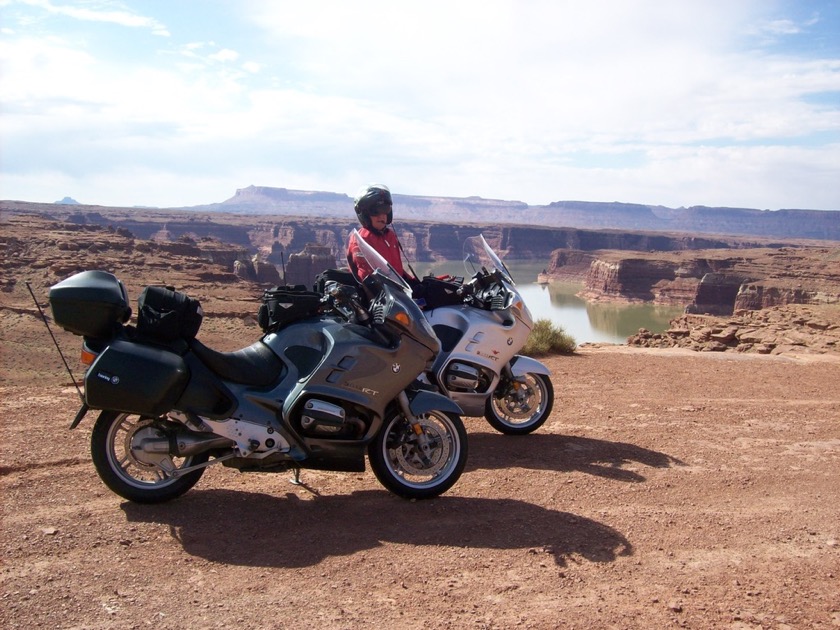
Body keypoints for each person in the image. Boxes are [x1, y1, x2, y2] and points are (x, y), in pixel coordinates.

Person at [346, 184, 417, 284]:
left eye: (385, 211)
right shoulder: (362, 239)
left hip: (398, 290)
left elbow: (396, 270)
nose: (382, 216)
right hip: (378, 293)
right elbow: (366, 275)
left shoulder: (389, 235)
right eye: (376, 212)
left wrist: (413, 283)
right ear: (364, 214)